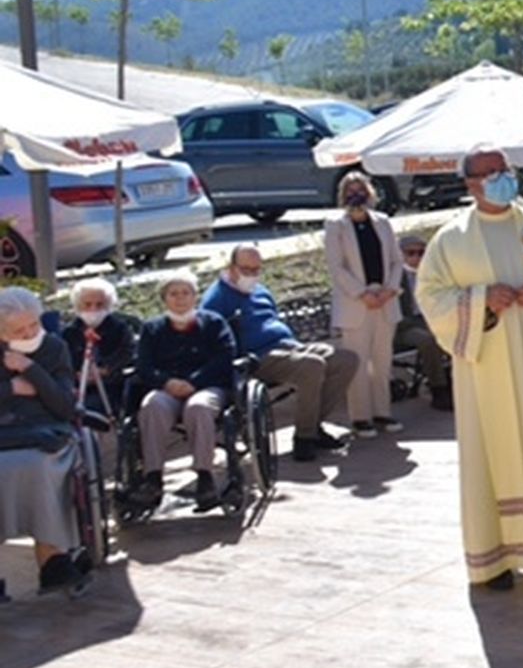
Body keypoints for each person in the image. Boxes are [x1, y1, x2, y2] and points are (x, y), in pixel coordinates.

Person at [417, 146, 523, 588]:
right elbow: (430, 297)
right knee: (493, 454)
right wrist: (481, 301)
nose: (502, 177)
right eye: (490, 172)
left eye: (505, 169)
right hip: (488, 368)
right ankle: (494, 560)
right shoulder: (451, 240)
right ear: (470, 183)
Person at [203, 246, 357, 462]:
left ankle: (313, 426)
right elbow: (211, 338)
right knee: (311, 366)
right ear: (231, 268)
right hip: (257, 357)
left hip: (288, 346)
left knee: (346, 360)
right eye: (246, 270)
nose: (252, 275)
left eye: (257, 270)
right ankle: (304, 438)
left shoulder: (260, 290)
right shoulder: (217, 298)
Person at [0, 286, 91, 596]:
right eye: (18, 330)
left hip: (46, 431)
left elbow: (65, 405)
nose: (29, 334)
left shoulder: (53, 347)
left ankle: (52, 558)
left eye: (33, 325)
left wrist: (31, 370)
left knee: (39, 466)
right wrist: (11, 389)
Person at [127, 270, 238, 512]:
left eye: (185, 293)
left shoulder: (213, 323)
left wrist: (193, 382)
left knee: (198, 407)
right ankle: (153, 478)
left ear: (195, 296)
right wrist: (166, 382)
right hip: (167, 388)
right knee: (151, 406)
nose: (180, 298)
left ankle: (205, 477)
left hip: (207, 386)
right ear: (164, 298)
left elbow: (224, 357)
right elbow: (144, 366)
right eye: (173, 294)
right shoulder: (152, 328)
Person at [324, 171, 404, 439]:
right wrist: (362, 294)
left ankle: (383, 412)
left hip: (385, 300)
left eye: (360, 190)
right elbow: (337, 266)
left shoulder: (382, 222)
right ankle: (360, 418)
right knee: (358, 364)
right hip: (356, 304)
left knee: (382, 361)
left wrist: (390, 289)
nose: (356, 195)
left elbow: (396, 260)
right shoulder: (335, 225)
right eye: (350, 191)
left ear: (370, 193)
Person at [60, 277, 135, 413]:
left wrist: (105, 370)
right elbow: (63, 359)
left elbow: (127, 353)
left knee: (91, 409)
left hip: (110, 387)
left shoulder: (119, 328)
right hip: (76, 387)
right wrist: (77, 374)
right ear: (78, 305)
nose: (93, 309)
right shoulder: (69, 332)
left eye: (99, 304)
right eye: (87, 304)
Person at [397, 235, 452, 412]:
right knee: (428, 340)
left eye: (421, 253)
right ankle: (439, 389)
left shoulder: (433, 274)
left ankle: (454, 380)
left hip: (431, 320)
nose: (417, 258)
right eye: (411, 253)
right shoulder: (395, 277)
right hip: (404, 327)